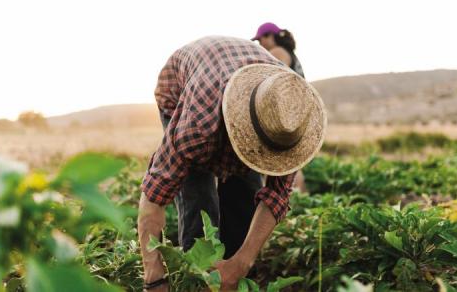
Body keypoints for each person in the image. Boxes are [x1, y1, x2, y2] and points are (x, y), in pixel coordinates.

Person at [138, 36, 326, 291]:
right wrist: (155, 278)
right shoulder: (196, 127)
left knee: (243, 201)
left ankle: (230, 280)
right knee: (200, 201)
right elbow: (154, 197)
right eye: (254, 147)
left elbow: (276, 198)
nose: (258, 154)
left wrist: (241, 263)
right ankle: (199, 278)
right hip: (181, 90)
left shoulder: (289, 123)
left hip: (234, 83)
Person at [252, 22, 307, 192]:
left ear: (270, 36)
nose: (260, 44)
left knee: (279, 160)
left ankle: (286, 196)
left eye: (261, 40)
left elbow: (270, 79)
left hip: (285, 111)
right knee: (291, 159)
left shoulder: (277, 52)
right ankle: (301, 199)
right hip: (297, 109)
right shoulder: (289, 53)